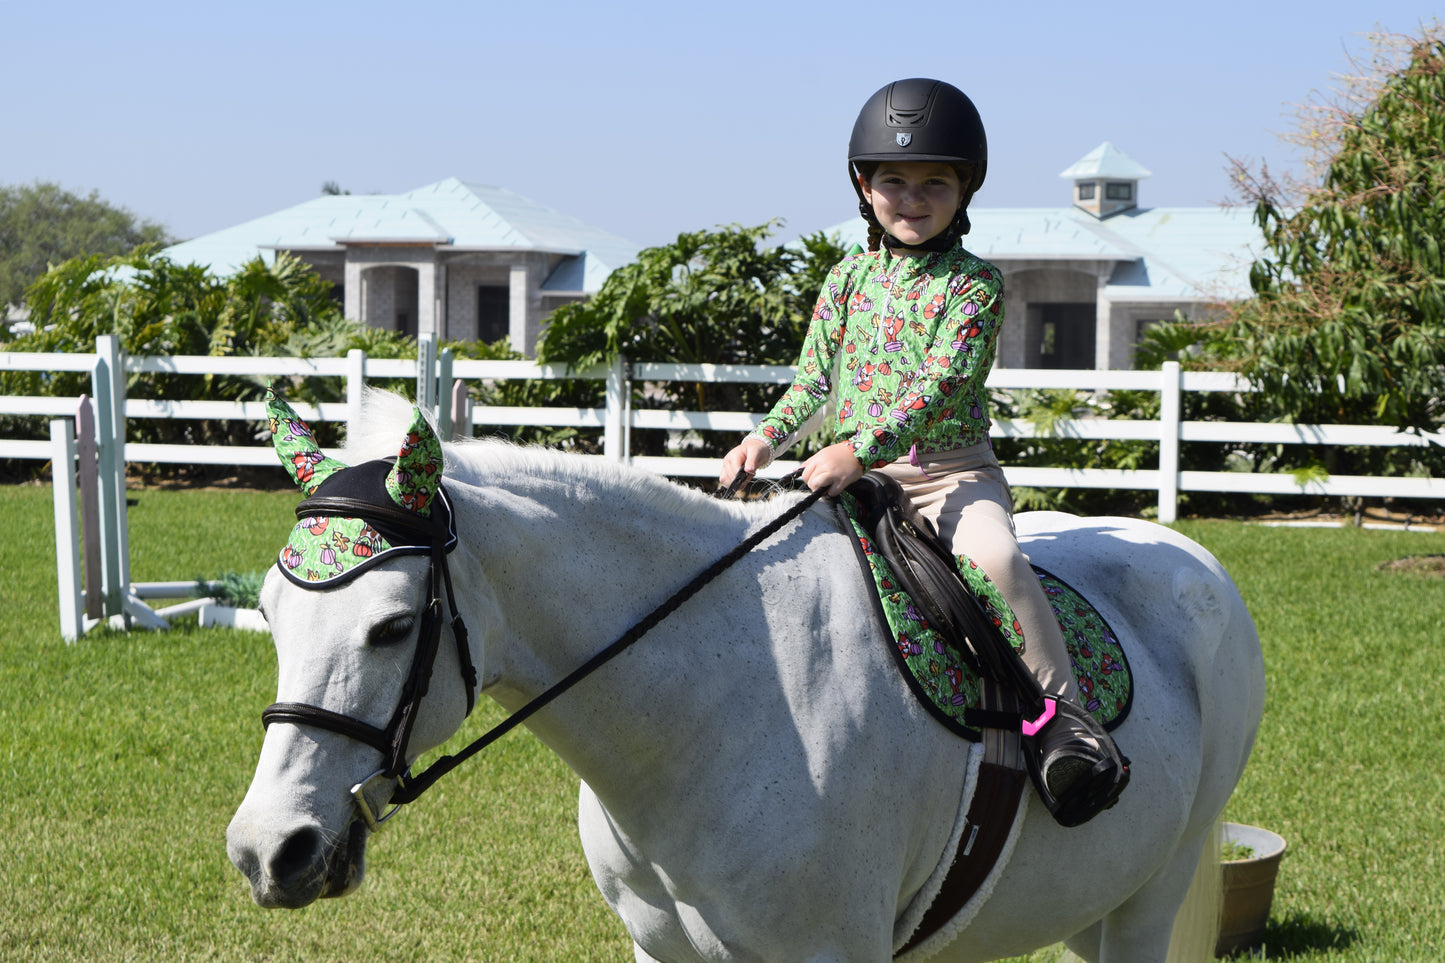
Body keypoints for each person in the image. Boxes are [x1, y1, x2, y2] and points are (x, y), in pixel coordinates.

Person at [719, 78, 1127, 822]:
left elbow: (942, 383)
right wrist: (762, 437)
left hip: (947, 474)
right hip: (849, 473)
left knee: (998, 562)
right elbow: (812, 378)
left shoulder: (974, 285)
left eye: (933, 183)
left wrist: (859, 448)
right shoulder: (846, 278)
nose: (911, 198)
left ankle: (1067, 725)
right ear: (863, 186)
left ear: (963, 188)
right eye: (893, 182)